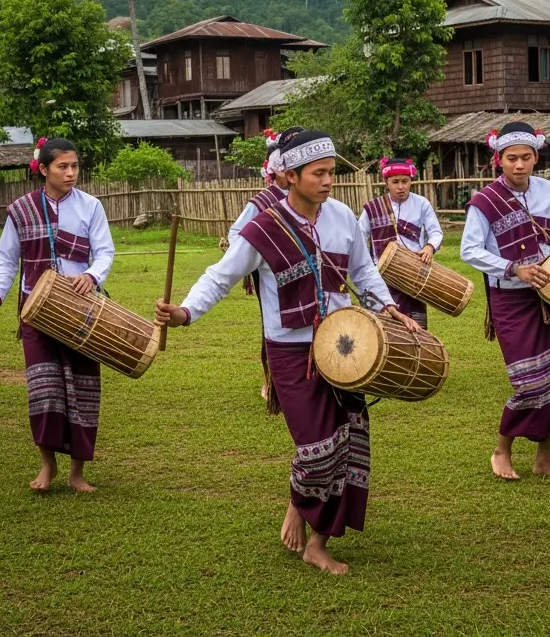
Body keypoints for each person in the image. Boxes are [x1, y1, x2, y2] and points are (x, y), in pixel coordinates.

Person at [155, 129, 420, 574]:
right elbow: (220, 277)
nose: (328, 181)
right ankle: (300, 501)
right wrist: (184, 312)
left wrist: (389, 307)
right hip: (291, 351)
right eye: (318, 173)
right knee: (317, 447)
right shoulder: (263, 229)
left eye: (332, 172)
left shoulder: (342, 218)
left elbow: (364, 272)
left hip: (345, 345)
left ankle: (318, 541)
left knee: (348, 444)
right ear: (290, 175)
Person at [460, 121, 550, 481]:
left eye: (525, 157)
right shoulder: (483, 202)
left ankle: (543, 460)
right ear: (499, 160)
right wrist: (513, 269)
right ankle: (501, 449)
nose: (519, 165)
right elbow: (469, 250)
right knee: (529, 382)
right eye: (511, 158)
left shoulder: (549, 192)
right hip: (509, 301)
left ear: (536, 157)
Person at [0, 137, 115, 493]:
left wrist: (90, 275)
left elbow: (105, 252)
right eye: (62, 167)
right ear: (44, 169)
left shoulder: (90, 207)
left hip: (81, 311)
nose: (71, 174)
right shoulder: (21, 210)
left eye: (74, 167)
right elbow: (7, 260)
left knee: (84, 388)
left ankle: (77, 473)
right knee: (44, 389)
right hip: (35, 312)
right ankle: (47, 466)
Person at [223, 126, 303, 402]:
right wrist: (257, 256)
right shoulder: (264, 201)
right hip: (273, 277)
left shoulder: (310, 197)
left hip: (306, 276)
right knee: (273, 327)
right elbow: (237, 234)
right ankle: (273, 384)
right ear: (276, 167)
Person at [358, 157, 443, 328]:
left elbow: (435, 232)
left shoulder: (421, 204)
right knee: (383, 328)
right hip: (381, 276)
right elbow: (359, 239)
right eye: (395, 181)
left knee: (416, 328)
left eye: (405, 181)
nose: (401, 187)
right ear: (386, 182)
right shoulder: (372, 208)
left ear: (411, 181)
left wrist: (429, 247)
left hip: (413, 275)